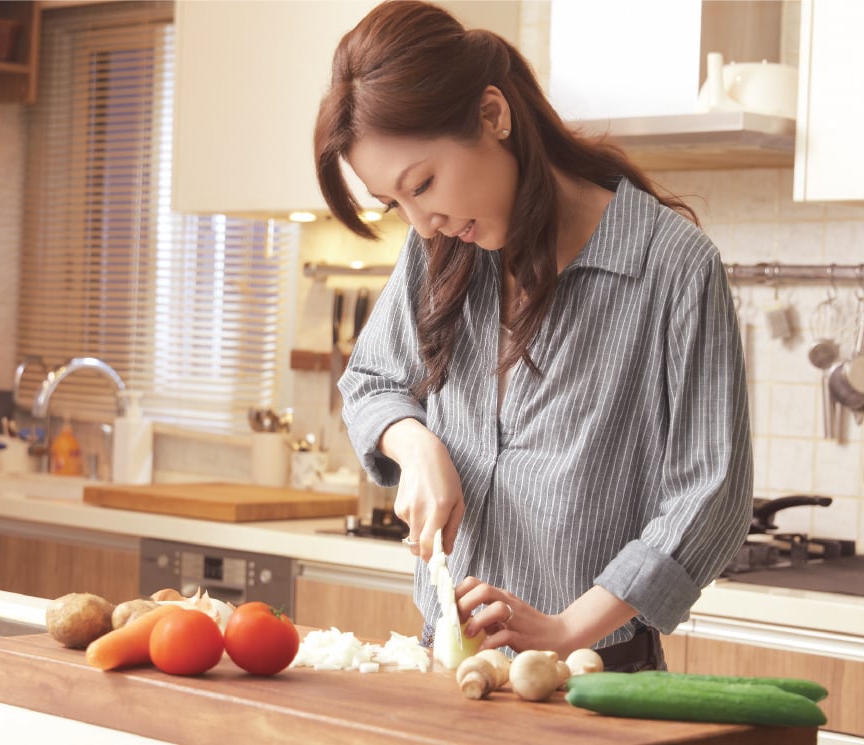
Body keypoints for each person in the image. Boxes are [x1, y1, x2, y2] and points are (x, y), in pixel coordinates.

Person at [313, 0, 752, 671]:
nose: (421, 223)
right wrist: (416, 444)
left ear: (493, 115)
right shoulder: (436, 250)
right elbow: (372, 380)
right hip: (449, 670)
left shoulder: (671, 266)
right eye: (396, 204)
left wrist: (565, 628)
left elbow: (709, 495)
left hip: (595, 681)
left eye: (422, 183)